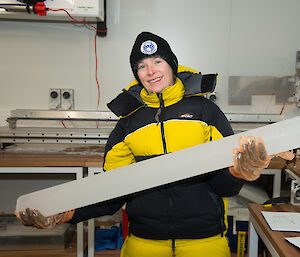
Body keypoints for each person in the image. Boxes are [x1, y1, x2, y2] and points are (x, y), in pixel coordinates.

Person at [15, 32, 292, 257]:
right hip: (143, 243)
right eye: (142, 66)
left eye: (157, 61)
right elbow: (110, 194)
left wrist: (239, 173)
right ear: (137, 74)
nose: (151, 71)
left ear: (171, 64)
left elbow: (222, 187)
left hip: (205, 241)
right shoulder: (128, 123)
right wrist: (67, 213)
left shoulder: (205, 112)